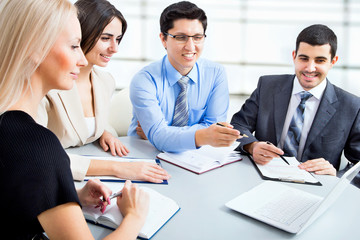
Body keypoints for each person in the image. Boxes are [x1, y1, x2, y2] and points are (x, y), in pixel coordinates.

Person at [0, 0, 149, 239]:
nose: (81, 60)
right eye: (73, 46)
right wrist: (134, 217)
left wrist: (69, 194)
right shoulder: (40, 146)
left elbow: (15, 196)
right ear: (33, 46)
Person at [37, 0, 170, 183]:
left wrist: (103, 132)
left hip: (94, 180)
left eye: (118, 39)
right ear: (80, 33)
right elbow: (38, 155)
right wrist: (118, 168)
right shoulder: (47, 84)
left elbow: (88, 124)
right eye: (106, 38)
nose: (114, 48)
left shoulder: (105, 81)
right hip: (53, 179)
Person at [230, 24, 360, 183]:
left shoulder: (351, 106)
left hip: (317, 189)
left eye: (320, 60)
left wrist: (337, 176)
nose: (310, 68)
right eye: (304, 58)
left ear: (333, 61)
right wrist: (252, 145)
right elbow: (238, 125)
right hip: (259, 179)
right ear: (294, 56)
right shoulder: (267, 86)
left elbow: (358, 165)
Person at [128, 1, 240, 152]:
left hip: (196, 158)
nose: (191, 46)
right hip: (145, 153)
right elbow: (159, 136)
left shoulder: (215, 74)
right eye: (181, 37)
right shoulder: (144, 80)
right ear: (163, 39)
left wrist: (165, 133)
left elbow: (215, 128)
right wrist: (202, 133)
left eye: (197, 37)